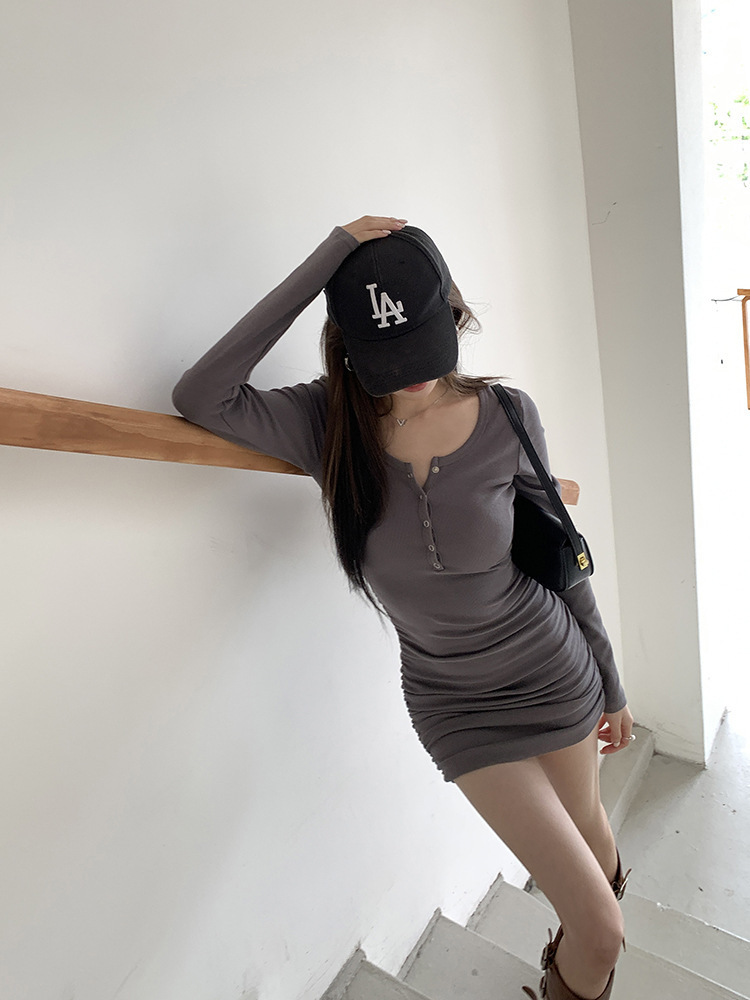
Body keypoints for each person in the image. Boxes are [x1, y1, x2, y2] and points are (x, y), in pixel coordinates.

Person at [172, 215, 636, 1000]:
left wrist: (611, 684)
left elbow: (564, 554)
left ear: (452, 314)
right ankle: (585, 937)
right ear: (348, 342)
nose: (411, 374)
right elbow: (201, 394)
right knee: (601, 929)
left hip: (552, 670)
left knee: (592, 835)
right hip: (455, 705)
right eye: (385, 353)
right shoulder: (325, 425)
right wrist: (332, 257)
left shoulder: (508, 414)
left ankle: (597, 902)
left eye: (424, 341)